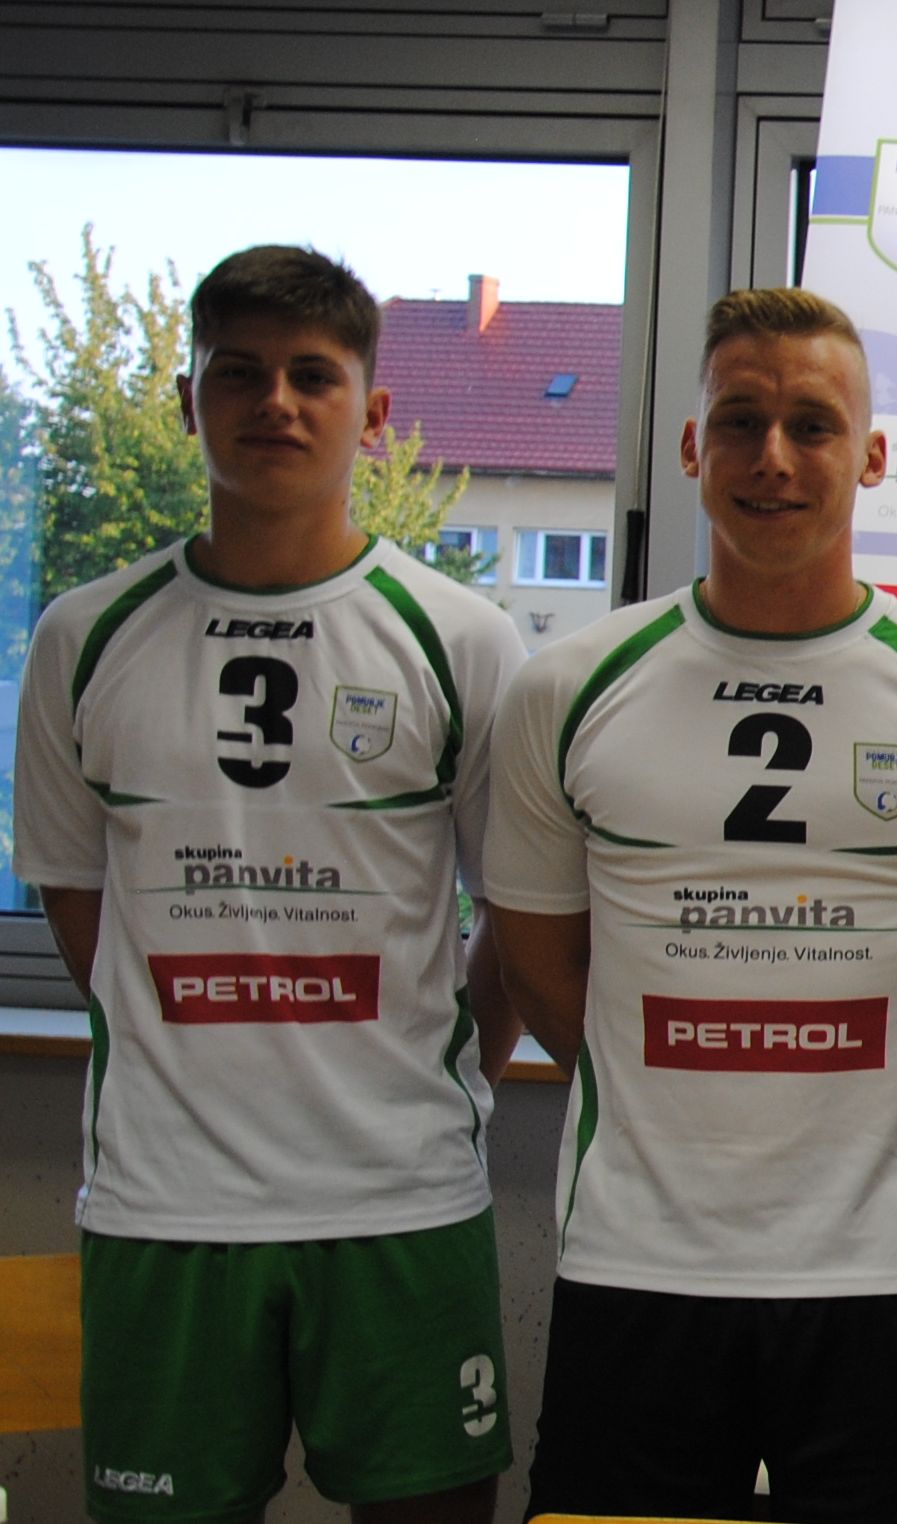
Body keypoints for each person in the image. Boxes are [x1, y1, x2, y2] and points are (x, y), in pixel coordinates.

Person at [483, 286, 897, 1523]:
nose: (773, 457)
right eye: (740, 422)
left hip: (889, 1276)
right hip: (636, 1266)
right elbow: (537, 967)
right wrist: (655, 1105)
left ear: (872, 455)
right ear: (690, 446)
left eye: (812, 426)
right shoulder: (564, 687)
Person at [12, 243, 529, 1524]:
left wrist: (445, 1072)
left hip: (402, 1198)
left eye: (312, 375)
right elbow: (80, 905)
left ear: (373, 410)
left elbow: (517, 919)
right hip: (164, 1204)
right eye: (237, 373)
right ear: (187, 399)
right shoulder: (82, 634)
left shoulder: (461, 639)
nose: (275, 403)